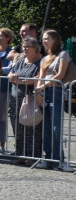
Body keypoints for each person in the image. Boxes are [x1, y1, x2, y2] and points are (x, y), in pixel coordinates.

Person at [35, 29, 70, 167]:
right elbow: (41, 77)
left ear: (55, 40)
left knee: (56, 127)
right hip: (44, 92)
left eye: (46, 38)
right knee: (46, 128)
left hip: (56, 91)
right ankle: (49, 158)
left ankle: (58, 159)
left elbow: (60, 74)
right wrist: (38, 92)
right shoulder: (44, 58)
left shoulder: (63, 54)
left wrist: (43, 86)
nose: (43, 41)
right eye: (43, 38)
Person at [8, 37, 43, 162]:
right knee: (17, 126)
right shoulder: (21, 61)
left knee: (32, 127)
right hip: (15, 98)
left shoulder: (40, 62)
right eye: (23, 46)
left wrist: (21, 81)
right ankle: (20, 153)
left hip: (30, 99)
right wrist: (12, 76)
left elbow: (38, 78)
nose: (25, 49)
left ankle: (33, 155)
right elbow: (10, 74)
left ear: (35, 48)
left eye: (28, 46)